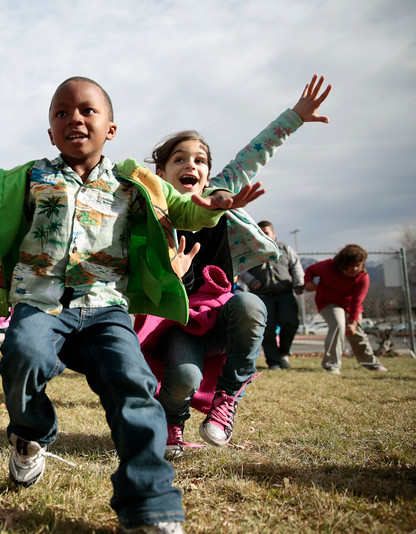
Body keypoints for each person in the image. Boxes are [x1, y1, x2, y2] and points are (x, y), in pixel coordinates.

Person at [0, 76, 265, 534]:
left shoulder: (134, 181)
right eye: (61, 113)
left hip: (106, 308)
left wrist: (216, 206)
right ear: (51, 132)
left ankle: (151, 506)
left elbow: (186, 211)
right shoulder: (29, 178)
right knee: (22, 358)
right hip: (40, 304)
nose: (73, 118)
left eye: (87, 111)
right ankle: (31, 435)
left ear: (111, 129)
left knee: (134, 390)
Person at [135, 75, 332, 460]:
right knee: (184, 379)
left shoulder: (221, 192)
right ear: (161, 173)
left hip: (222, 311)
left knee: (251, 305)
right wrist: (163, 272)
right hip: (180, 317)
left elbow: (255, 153)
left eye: (200, 160)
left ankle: (228, 398)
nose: (191, 165)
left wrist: (294, 117)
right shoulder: (153, 214)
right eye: (179, 159)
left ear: (209, 174)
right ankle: (172, 422)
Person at [304, 244, 387, 374]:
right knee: (338, 325)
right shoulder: (328, 266)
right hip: (328, 302)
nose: (354, 269)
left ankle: (370, 362)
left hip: (349, 305)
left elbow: (357, 302)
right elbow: (310, 270)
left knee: (356, 332)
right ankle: (332, 364)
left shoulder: (362, 278)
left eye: (358, 265)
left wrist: (353, 323)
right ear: (343, 263)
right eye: (351, 265)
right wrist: (308, 281)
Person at [240, 221, 305, 370]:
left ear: (273, 234)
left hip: (285, 293)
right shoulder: (250, 249)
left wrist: (298, 284)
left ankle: (283, 352)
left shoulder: (285, 248)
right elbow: (242, 268)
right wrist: (252, 281)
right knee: (267, 329)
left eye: (266, 233)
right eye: (260, 232)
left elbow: (296, 266)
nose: (263, 235)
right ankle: (273, 361)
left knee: (291, 323)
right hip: (262, 295)